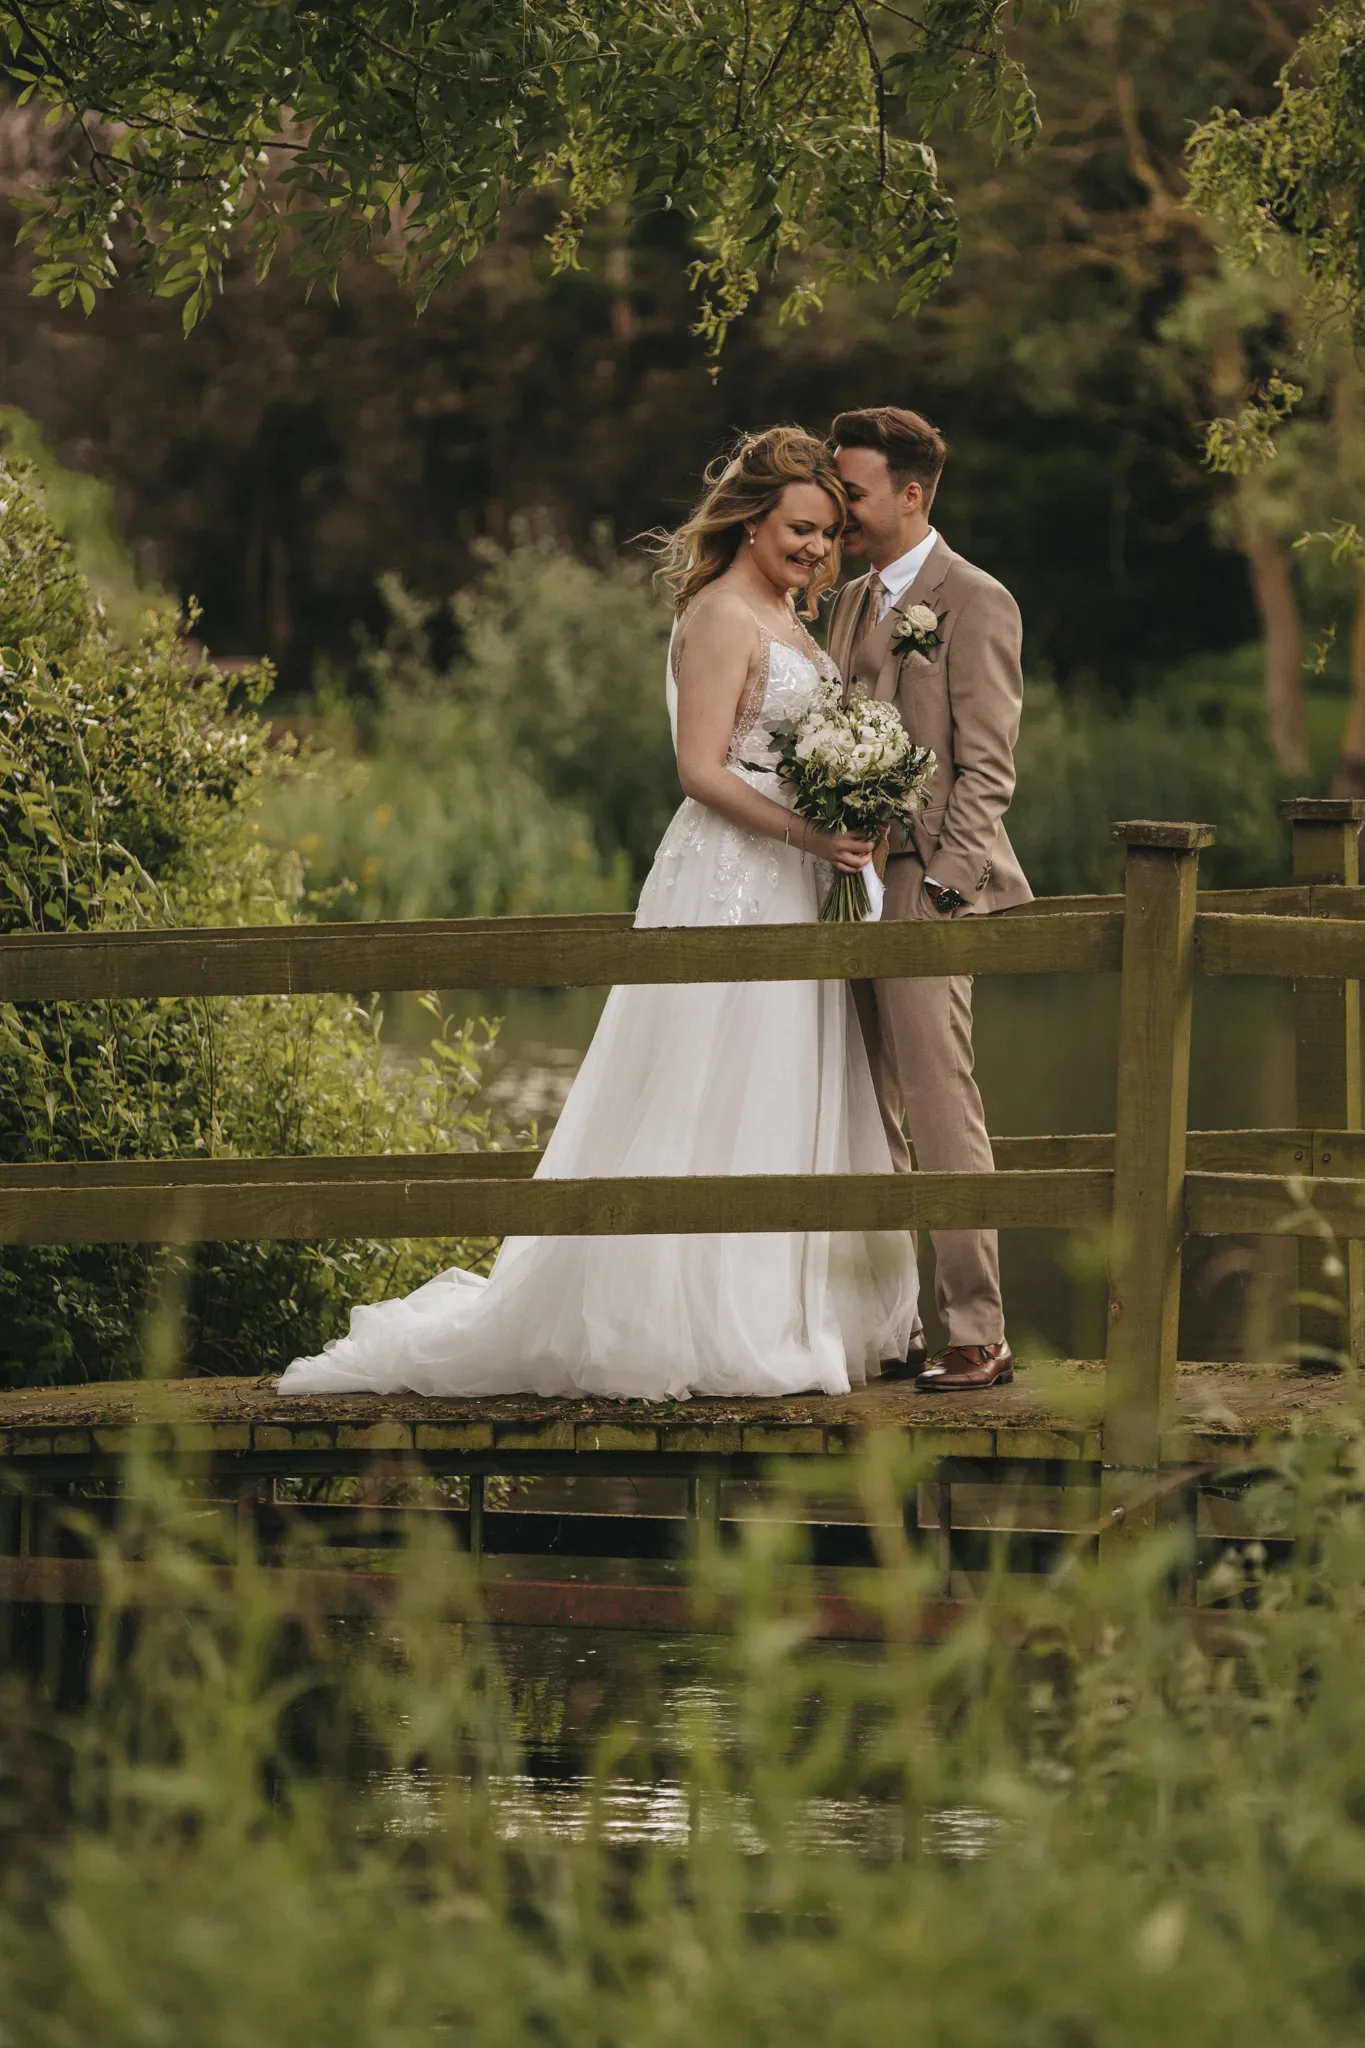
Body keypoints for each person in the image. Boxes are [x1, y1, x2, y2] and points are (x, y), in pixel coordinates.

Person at [279, 426, 918, 1402]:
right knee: (709, 1084)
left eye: (829, 534)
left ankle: (793, 1309)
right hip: (733, 877)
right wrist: (806, 831)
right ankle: (695, 1318)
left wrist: (849, 803)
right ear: (751, 520)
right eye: (800, 529)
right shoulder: (717, 615)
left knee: (785, 1080)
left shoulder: (792, 617)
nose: (816, 550)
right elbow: (700, 771)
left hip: (797, 877)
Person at [828, 405, 1031, 1393]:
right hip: (843, 881)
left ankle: (979, 1331)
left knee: (942, 1099)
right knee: (867, 1107)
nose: (839, 508)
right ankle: (894, 1319)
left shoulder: (975, 600)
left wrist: (946, 881)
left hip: (925, 886)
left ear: (912, 494)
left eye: (852, 491)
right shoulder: (847, 600)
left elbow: (989, 769)